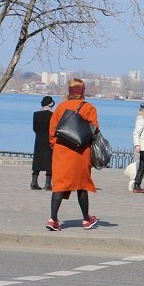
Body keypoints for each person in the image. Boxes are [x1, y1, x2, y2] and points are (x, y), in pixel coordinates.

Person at [45, 79, 99, 231]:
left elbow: (52, 130)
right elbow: (94, 130)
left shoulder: (61, 107)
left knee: (59, 184)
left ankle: (53, 219)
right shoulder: (89, 108)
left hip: (61, 151)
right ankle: (86, 219)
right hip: (80, 152)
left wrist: (55, 145)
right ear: (82, 91)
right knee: (82, 185)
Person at [31, 96, 54, 191]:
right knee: (49, 161)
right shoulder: (53, 115)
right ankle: (48, 184)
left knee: (37, 160)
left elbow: (34, 129)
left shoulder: (36, 114)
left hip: (39, 139)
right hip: (49, 140)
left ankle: (34, 182)